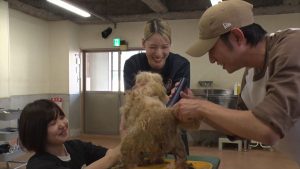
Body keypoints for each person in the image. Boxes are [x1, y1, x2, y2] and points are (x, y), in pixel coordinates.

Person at [174, 0, 300, 165]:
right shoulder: (250, 74)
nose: (211, 59)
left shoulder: (293, 46)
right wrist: (197, 109)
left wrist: (201, 107)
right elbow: (241, 131)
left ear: (237, 37)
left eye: (212, 49)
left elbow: (268, 130)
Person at [121, 18, 190, 154]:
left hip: (172, 133)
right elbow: (131, 103)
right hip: (142, 132)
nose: (159, 54)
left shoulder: (181, 65)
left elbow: (179, 104)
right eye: (152, 47)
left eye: (165, 47)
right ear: (143, 44)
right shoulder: (132, 64)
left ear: (170, 44)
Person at [18, 99, 121, 169]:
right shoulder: (38, 165)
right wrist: (111, 158)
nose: (62, 125)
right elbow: (111, 157)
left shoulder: (77, 146)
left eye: (62, 117)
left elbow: (111, 154)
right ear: (37, 132)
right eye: (52, 123)